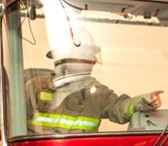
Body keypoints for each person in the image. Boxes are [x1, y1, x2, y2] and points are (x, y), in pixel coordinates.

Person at [26, 27, 161, 134]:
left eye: (90, 56)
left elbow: (119, 107)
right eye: (84, 55)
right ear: (64, 56)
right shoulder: (35, 87)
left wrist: (142, 101)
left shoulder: (96, 92)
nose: (92, 61)